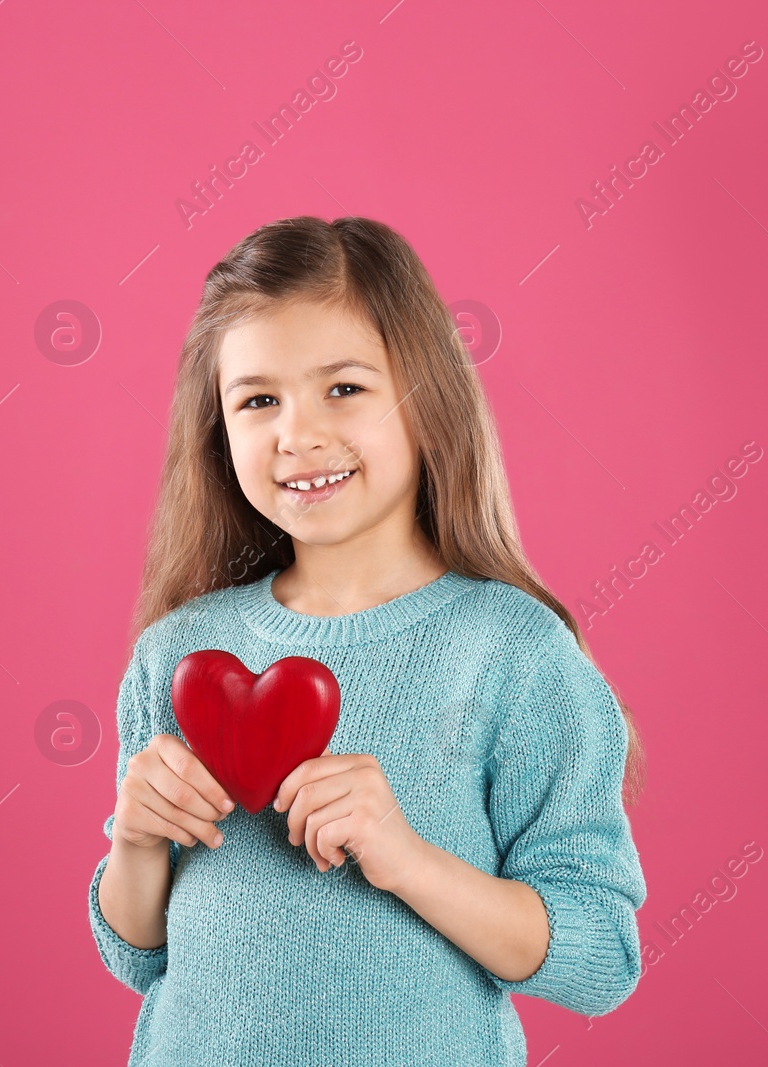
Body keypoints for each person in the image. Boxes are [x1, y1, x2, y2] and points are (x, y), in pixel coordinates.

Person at [87, 215, 648, 1066]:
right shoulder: (177, 655)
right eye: (258, 400)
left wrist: (409, 859)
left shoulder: (511, 652)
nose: (297, 434)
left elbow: (602, 954)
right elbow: (139, 953)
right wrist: (132, 840)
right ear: (218, 428)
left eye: (343, 388)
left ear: (423, 394)